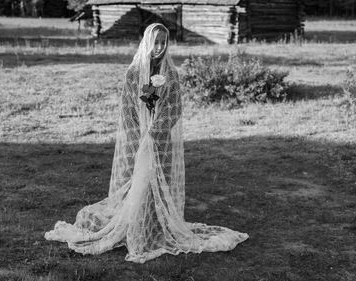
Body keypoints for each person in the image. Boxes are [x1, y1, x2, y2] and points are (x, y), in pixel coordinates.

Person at [44, 23, 249, 263]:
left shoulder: (170, 74)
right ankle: (135, 227)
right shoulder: (133, 73)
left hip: (160, 140)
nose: (160, 47)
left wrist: (155, 132)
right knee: (137, 183)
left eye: (164, 42)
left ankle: (156, 227)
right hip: (138, 139)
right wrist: (139, 136)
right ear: (147, 42)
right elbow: (127, 109)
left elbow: (174, 108)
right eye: (156, 42)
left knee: (158, 181)